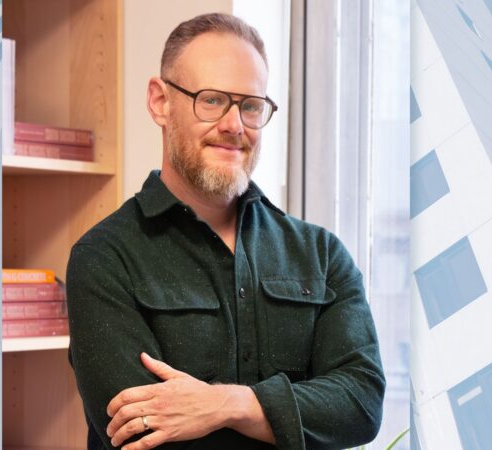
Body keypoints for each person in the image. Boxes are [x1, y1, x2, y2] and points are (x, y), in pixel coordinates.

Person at [67, 12, 385, 450]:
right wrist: (292, 415)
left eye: (251, 106)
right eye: (212, 99)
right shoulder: (104, 257)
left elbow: (361, 405)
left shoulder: (322, 255)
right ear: (160, 102)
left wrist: (225, 405)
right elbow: (141, 432)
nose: (234, 125)